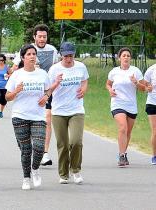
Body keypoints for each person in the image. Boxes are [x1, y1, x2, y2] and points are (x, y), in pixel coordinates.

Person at [5, 45, 51, 190]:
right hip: (20, 116)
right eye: (29, 54)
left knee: (38, 147)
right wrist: (16, 91)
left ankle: (35, 168)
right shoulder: (16, 75)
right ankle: (26, 178)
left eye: (34, 54)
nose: (32, 56)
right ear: (23, 57)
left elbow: (48, 89)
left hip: (38, 116)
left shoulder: (42, 74)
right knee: (26, 150)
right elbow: (7, 97)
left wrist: (46, 96)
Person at [12, 24, 58, 166]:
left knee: (47, 118)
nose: (42, 39)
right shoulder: (27, 49)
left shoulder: (53, 50)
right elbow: (14, 68)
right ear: (34, 37)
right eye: (39, 36)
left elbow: (56, 67)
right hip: (28, 90)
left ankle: (44, 152)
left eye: (44, 36)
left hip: (45, 89)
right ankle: (27, 148)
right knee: (27, 124)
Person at [48, 42, 89, 184]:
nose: (69, 58)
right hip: (59, 111)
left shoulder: (81, 67)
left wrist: (84, 89)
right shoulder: (54, 70)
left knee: (76, 141)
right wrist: (56, 83)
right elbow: (48, 90)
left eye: (71, 55)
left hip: (76, 110)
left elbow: (84, 81)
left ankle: (76, 170)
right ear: (61, 55)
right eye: (66, 56)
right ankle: (63, 174)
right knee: (63, 144)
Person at [106, 47, 144, 167]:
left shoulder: (136, 71)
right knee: (123, 127)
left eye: (128, 55)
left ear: (130, 58)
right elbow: (108, 84)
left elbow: (143, 89)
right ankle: (122, 156)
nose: (126, 57)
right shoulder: (114, 71)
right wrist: (110, 90)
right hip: (117, 103)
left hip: (131, 104)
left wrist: (136, 82)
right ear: (119, 58)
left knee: (128, 131)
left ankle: (123, 152)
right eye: (124, 56)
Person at [143, 63, 156, 165]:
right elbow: (144, 85)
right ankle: (154, 156)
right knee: (155, 131)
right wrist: (148, 88)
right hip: (153, 103)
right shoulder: (151, 69)